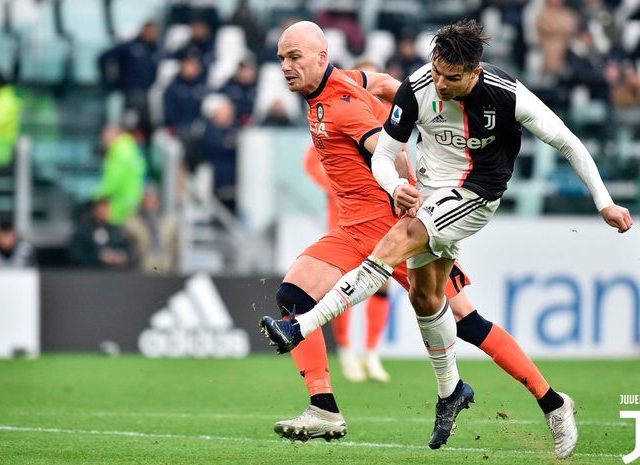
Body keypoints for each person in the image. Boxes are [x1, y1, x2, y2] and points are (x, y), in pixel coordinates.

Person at [261, 19, 633, 458]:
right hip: (352, 227)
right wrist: (409, 100)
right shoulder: (351, 83)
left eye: (294, 57)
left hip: (414, 218)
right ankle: (326, 406)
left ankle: (551, 401)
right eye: (282, 58)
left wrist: (398, 187)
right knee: (295, 291)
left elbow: (389, 147)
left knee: (467, 322)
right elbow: (381, 83)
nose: (286, 66)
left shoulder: (345, 104)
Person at [304, 144, 394, 382]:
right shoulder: (340, 117)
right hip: (345, 218)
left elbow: (399, 160)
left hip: (378, 215)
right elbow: (311, 163)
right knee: (345, 282)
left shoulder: (385, 119)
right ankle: (346, 350)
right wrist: (337, 186)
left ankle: (372, 353)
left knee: (382, 281)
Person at [98, 21, 162, 136]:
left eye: (154, 32)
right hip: (131, 95)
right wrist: (108, 82)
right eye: (150, 31)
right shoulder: (130, 47)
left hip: (150, 96)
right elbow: (104, 58)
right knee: (129, 126)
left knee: (149, 129)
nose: (152, 34)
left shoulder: (156, 50)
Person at [93, 125, 147, 226]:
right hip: (133, 202)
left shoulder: (118, 152)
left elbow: (111, 183)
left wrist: (95, 198)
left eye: (106, 136)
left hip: (119, 206)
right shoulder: (131, 148)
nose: (104, 141)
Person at [124, 183, 179, 272]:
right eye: (146, 202)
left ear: (158, 202)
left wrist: (174, 265)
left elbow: (176, 247)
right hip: (142, 268)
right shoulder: (132, 222)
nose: (149, 206)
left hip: (166, 268)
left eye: (153, 202)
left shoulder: (169, 222)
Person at [69, 198, 132, 268]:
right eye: (100, 208)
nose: (103, 212)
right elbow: (76, 254)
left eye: (106, 208)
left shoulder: (116, 230)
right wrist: (98, 258)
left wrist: (118, 257)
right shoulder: (83, 230)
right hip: (90, 273)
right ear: (94, 210)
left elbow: (126, 250)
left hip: (115, 273)